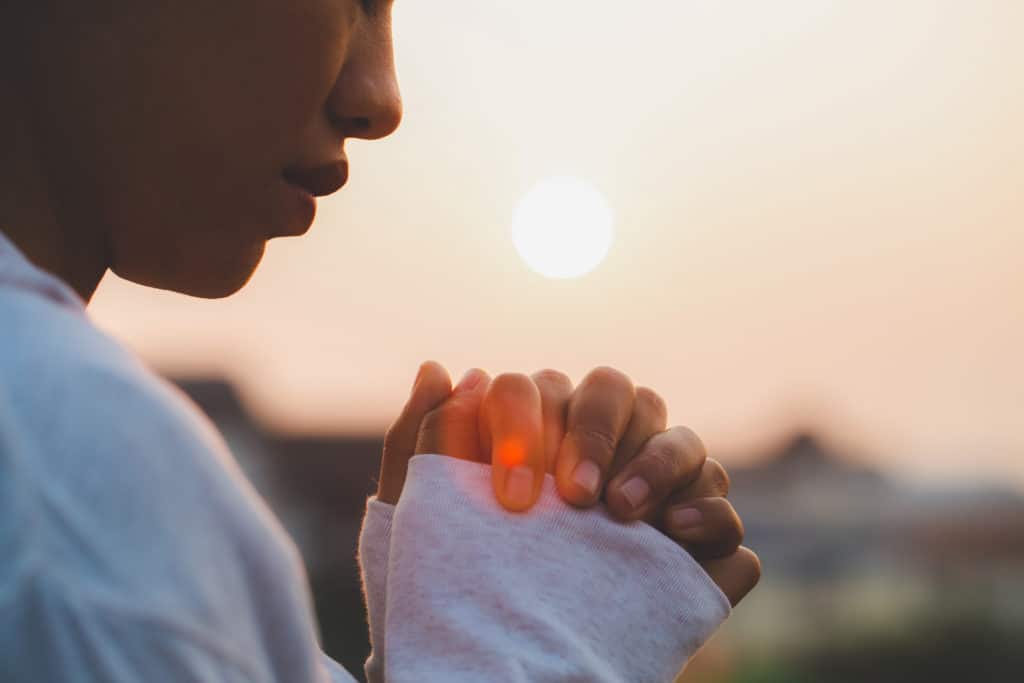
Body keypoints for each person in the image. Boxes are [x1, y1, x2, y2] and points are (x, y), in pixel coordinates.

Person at [0, 1, 760, 681]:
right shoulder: (69, 483)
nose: (382, 100)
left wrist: (448, 635)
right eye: (358, 1)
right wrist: (530, 653)